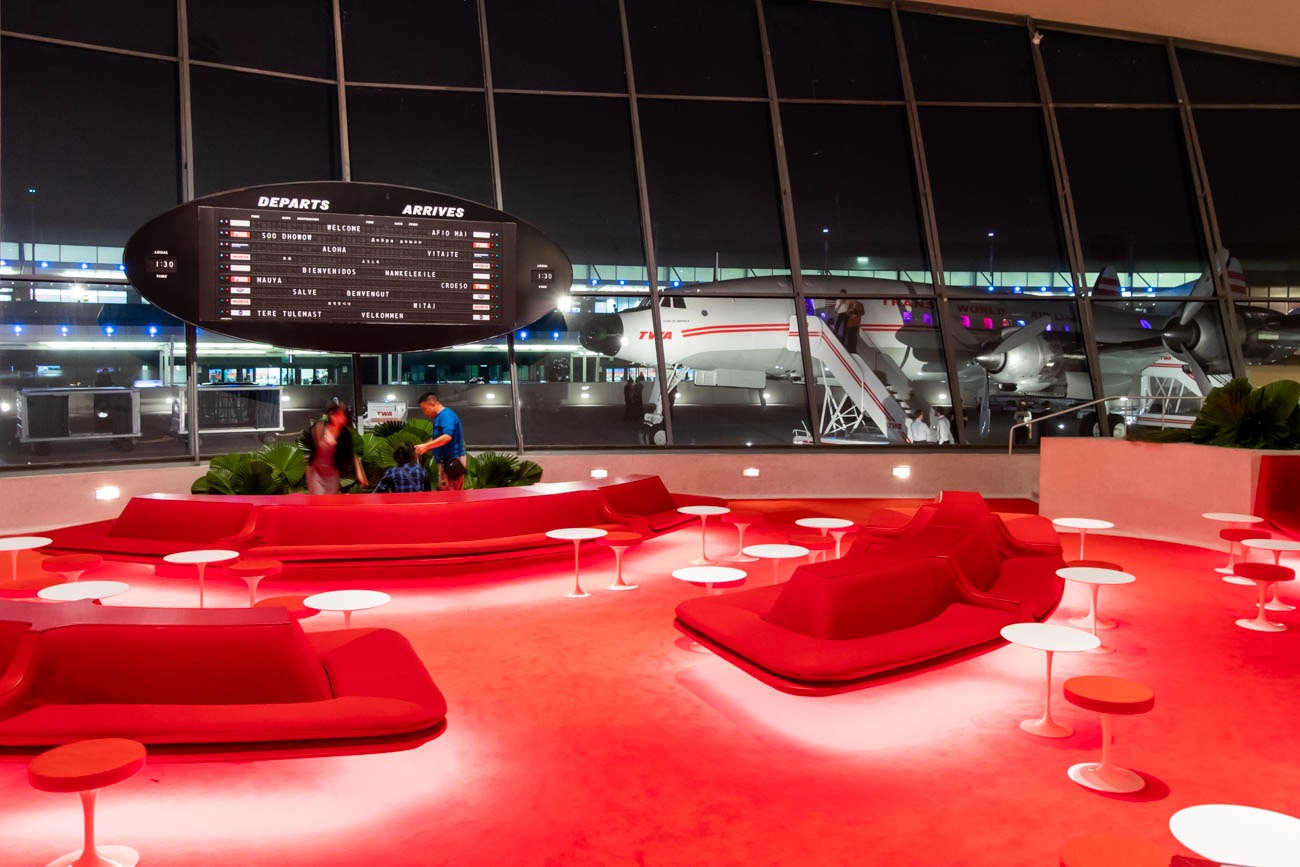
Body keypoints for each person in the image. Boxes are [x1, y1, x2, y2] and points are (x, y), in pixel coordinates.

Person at [305, 399, 367, 494]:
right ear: (332, 415)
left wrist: (359, 473)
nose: (341, 418)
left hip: (332, 474)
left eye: (343, 415)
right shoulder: (320, 428)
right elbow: (314, 449)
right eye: (338, 414)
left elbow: (351, 454)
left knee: (331, 502)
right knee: (318, 503)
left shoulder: (345, 435)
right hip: (316, 473)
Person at [414, 391, 466, 491]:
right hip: (445, 461)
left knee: (452, 493)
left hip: (453, 461)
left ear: (432, 404)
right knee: (446, 491)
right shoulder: (440, 417)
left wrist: (426, 446)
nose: (425, 413)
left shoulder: (446, 415)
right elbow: (438, 437)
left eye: (425, 409)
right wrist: (425, 445)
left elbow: (447, 437)